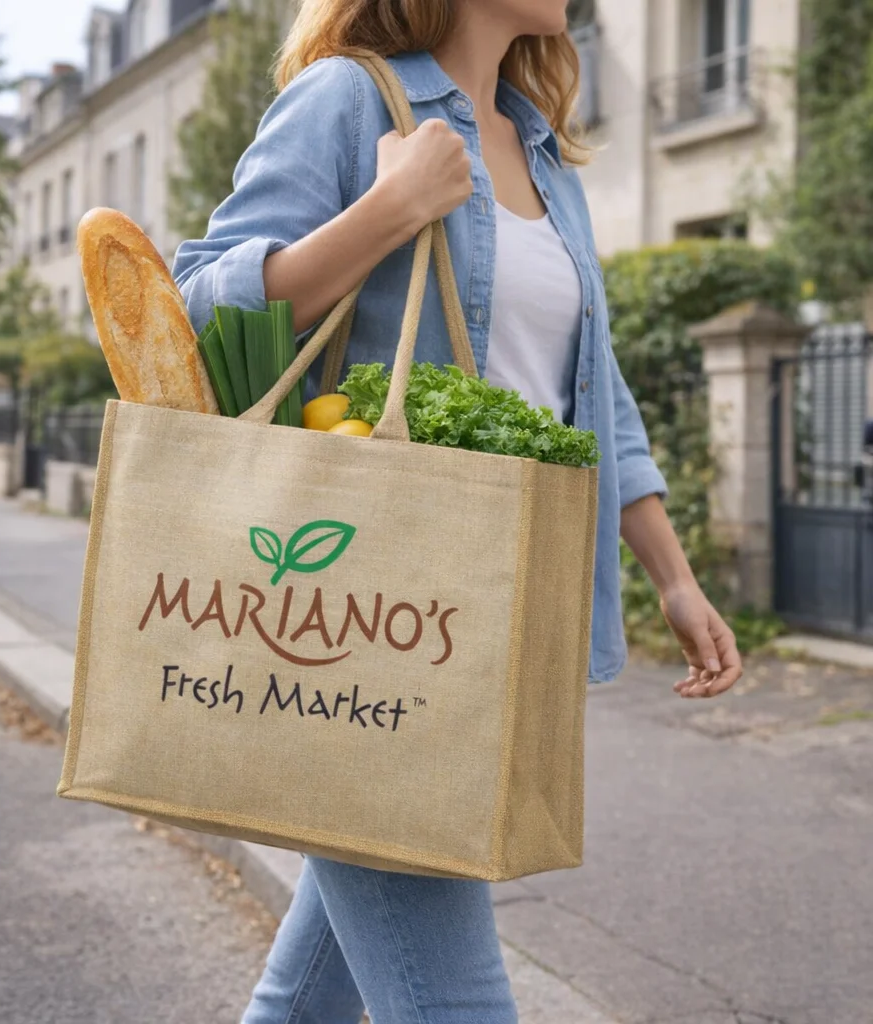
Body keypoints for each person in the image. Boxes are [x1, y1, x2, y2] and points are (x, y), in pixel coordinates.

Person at [173, 1, 743, 1020]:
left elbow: (593, 390)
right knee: (456, 998)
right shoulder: (350, 99)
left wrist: (673, 575)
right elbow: (197, 310)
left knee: (308, 994)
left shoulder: (542, 153)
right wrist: (386, 212)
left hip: (495, 617)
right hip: (369, 617)